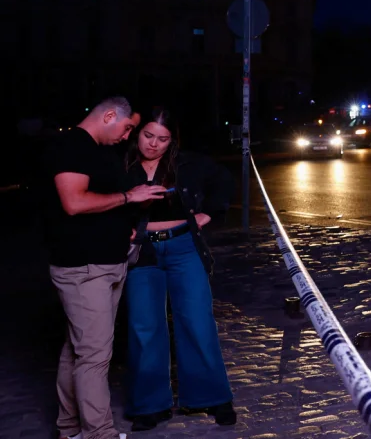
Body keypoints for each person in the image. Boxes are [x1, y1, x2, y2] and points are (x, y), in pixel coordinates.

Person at [42, 97, 166, 439]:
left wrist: (124, 223)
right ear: (109, 115)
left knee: (78, 349)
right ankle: (100, 434)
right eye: (127, 127)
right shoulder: (72, 146)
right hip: (84, 267)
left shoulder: (100, 151)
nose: (129, 136)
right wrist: (129, 198)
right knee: (95, 356)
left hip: (106, 263)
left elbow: (104, 199)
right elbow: (74, 202)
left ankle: (69, 429)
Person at [122, 107, 236, 431]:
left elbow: (224, 180)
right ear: (137, 132)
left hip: (184, 247)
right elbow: (106, 201)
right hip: (142, 250)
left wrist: (208, 214)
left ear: (172, 140)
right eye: (148, 136)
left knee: (198, 321)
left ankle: (212, 397)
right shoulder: (122, 164)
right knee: (145, 326)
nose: (154, 144)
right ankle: (149, 405)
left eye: (162, 138)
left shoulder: (188, 162)